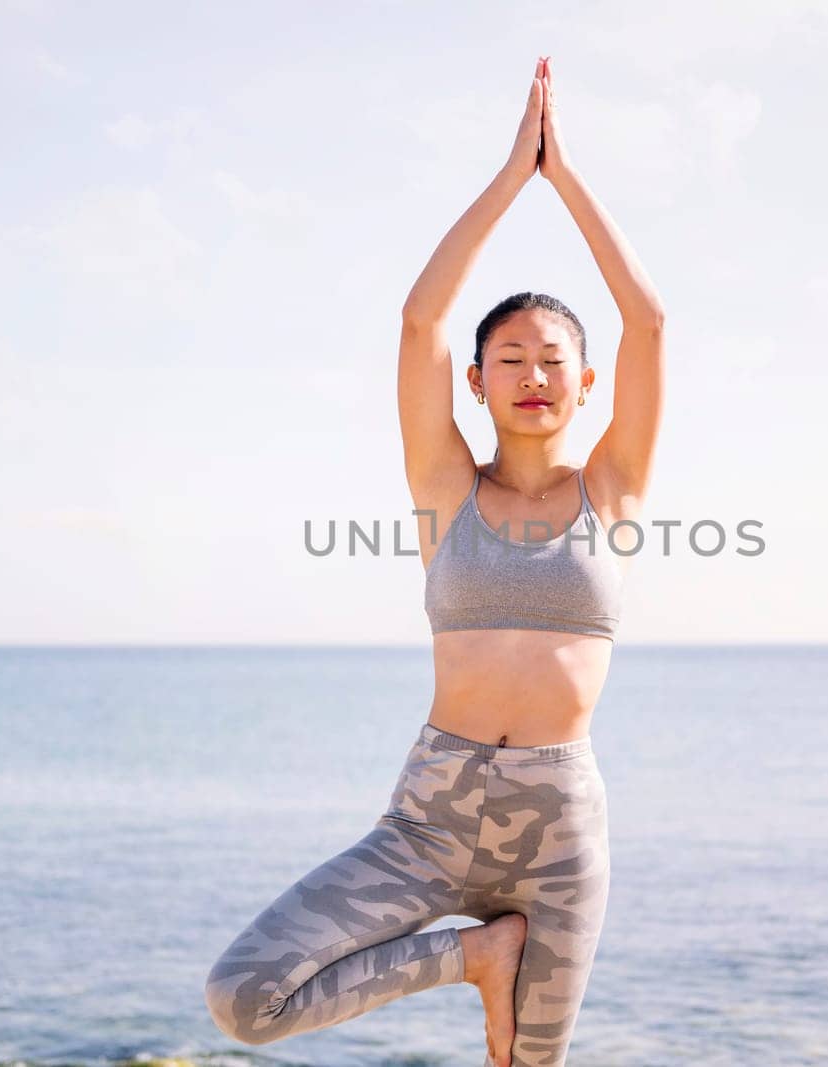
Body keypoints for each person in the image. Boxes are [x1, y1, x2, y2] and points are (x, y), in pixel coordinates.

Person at [204, 55, 666, 1067]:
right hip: (433, 816)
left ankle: (494, 960)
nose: (534, 374)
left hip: (557, 833)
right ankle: (472, 958)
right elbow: (417, 322)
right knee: (244, 994)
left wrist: (568, 177)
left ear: (586, 382)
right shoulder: (445, 488)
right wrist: (512, 176)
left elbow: (649, 322)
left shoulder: (613, 491)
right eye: (510, 359)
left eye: (554, 360)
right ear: (478, 380)